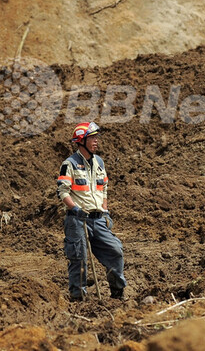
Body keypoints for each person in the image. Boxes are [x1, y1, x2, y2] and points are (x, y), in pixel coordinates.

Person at [56, 122, 126, 301]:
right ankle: (78, 300)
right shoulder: (69, 164)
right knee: (79, 259)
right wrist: (76, 209)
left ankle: (117, 294)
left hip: (98, 218)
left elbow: (104, 188)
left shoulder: (99, 162)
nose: (96, 141)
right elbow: (62, 192)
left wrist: (105, 210)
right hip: (77, 219)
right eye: (92, 138)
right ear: (81, 141)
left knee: (115, 250)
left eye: (96, 137)